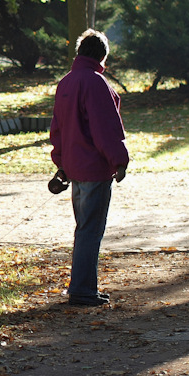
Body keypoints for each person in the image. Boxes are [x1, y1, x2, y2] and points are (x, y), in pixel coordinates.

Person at [49, 29, 129, 306]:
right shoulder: (97, 83)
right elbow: (105, 128)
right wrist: (119, 160)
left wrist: (60, 162)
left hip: (73, 167)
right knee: (90, 230)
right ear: (102, 55)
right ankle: (82, 290)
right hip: (94, 167)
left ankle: (83, 287)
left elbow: (57, 128)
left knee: (83, 227)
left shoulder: (66, 83)